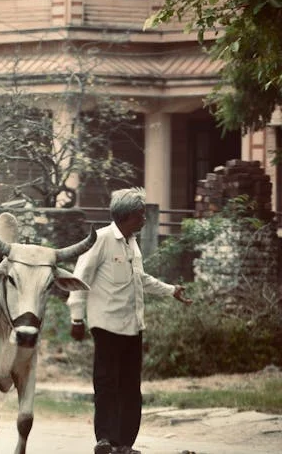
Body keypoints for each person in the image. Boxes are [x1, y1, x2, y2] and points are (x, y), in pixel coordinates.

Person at [67, 187, 192, 454]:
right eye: (140, 214)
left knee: (130, 389)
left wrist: (171, 290)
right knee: (106, 384)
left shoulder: (132, 242)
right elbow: (79, 279)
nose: (144, 219)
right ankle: (104, 440)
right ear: (125, 216)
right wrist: (76, 319)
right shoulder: (100, 240)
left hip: (132, 326)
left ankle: (124, 444)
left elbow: (141, 279)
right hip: (106, 325)